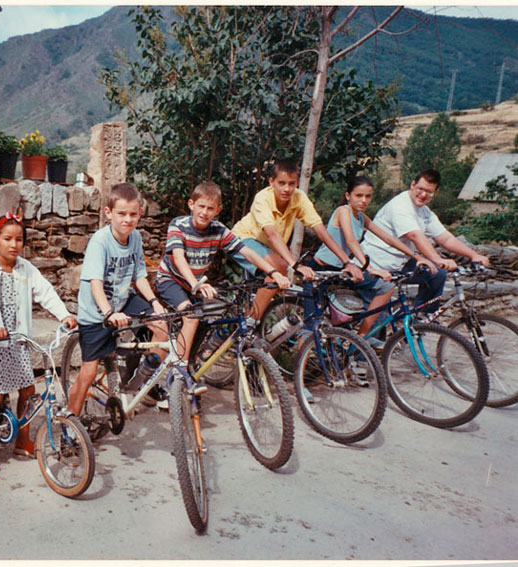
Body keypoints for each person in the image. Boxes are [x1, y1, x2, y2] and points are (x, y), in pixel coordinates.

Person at [0, 213, 78, 484]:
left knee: (28, 390)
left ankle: (22, 440)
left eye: (19, 239)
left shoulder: (26, 268)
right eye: (7, 239)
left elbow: (46, 292)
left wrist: (63, 314)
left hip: (18, 342)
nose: (13, 245)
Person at [156, 181, 290, 363]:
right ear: (191, 205)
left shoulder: (218, 230)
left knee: (201, 328)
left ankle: (186, 371)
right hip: (171, 280)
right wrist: (197, 284)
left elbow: (247, 252)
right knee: (191, 317)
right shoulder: (178, 225)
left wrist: (273, 272)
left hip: (194, 284)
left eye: (210, 208)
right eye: (201, 206)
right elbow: (178, 258)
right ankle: (179, 376)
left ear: (217, 211)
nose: (204, 212)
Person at [68, 182, 168, 417]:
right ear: (108, 213)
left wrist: (154, 302)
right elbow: (95, 283)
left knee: (162, 326)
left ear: (139, 214)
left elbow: (140, 275)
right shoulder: (100, 241)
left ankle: (141, 379)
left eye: (133, 214)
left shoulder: (135, 238)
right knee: (89, 372)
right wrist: (109, 313)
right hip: (97, 310)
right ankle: (69, 423)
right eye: (121, 213)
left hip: (124, 299)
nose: (128, 219)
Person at [302, 176, 436, 345]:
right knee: (311, 327)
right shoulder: (343, 211)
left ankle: (361, 337)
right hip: (320, 271)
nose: (364, 200)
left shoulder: (362, 217)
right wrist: (370, 268)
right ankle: (295, 366)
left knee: (385, 287)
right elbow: (350, 241)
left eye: (368, 196)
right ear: (348, 195)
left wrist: (416, 256)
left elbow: (389, 239)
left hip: (340, 273)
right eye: (359, 195)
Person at [231, 158, 363, 322]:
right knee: (279, 267)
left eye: (291, 184)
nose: (287, 188)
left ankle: (251, 328)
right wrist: (295, 265)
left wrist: (347, 262)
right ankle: (251, 323)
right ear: (271, 182)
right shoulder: (263, 198)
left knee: (270, 283)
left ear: (297, 183)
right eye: (282, 183)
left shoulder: (299, 198)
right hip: (243, 239)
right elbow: (272, 234)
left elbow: (321, 231)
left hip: (267, 248)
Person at [361, 168, 490, 315]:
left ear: (436, 193)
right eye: (420, 189)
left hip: (399, 264)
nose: (423, 195)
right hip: (375, 265)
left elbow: (445, 238)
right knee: (377, 326)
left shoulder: (424, 212)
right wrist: (437, 258)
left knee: (437, 274)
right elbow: (414, 236)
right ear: (412, 185)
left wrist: (473, 255)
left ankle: (421, 320)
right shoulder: (400, 206)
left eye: (429, 192)